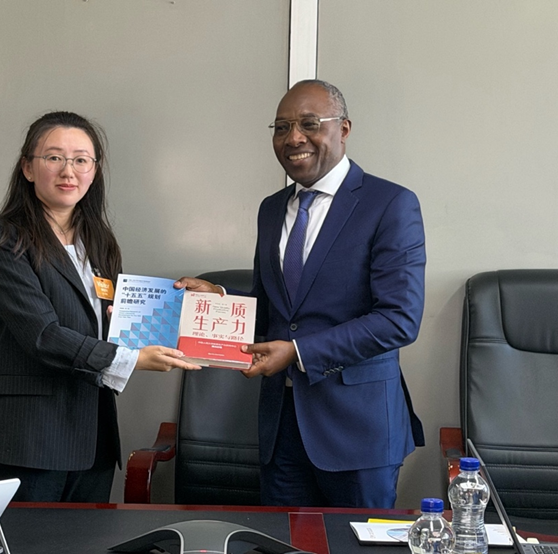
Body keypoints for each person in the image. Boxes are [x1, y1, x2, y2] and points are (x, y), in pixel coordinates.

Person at [176, 80, 425, 508]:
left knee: (354, 540)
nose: (293, 138)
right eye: (281, 127)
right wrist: (216, 296)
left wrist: (297, 352)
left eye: (309, 124)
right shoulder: (272, 209)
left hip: (358, 428)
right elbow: (275, 311)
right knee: (282, 539)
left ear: (343, 129)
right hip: (282, 427)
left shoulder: (390, 204)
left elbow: (398, 319)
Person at [0, 111, 200, 503]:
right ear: (28, 167)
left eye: (81, 160)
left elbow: (116, 321)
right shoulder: (6, 238)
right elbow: (43, 336)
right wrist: (132, 359)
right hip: (31, 439)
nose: (69, 171)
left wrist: (191, 309)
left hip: (94, 435)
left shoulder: (100, 241)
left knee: (89, 535)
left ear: (94, 171)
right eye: (54, 157)